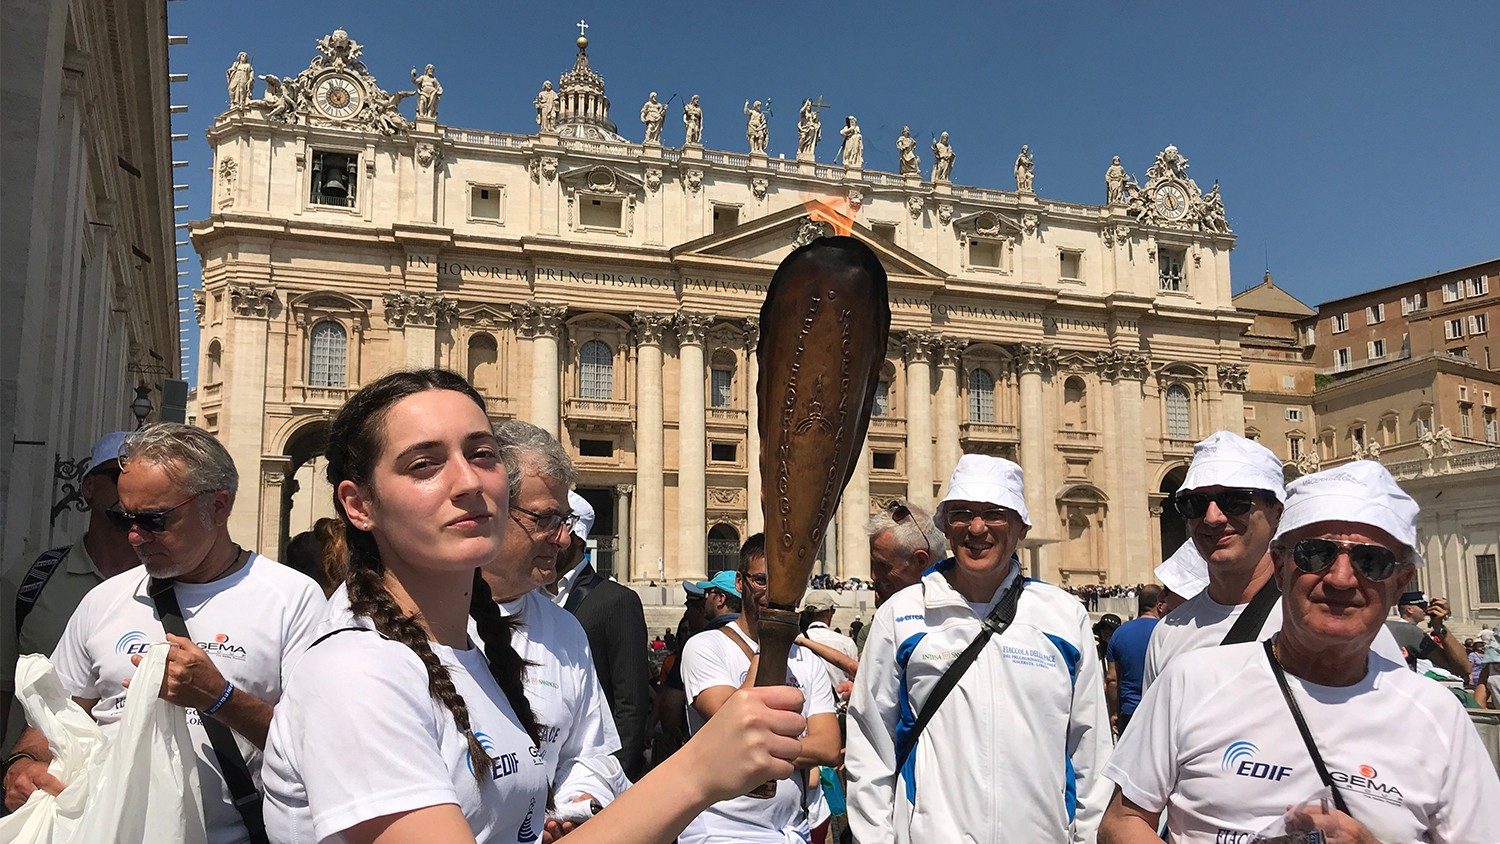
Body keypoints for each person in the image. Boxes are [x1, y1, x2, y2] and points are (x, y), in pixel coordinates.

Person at [261, 369, 807, 843]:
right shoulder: (353, 671)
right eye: (424, 465)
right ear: (358, 505)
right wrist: (695, 772)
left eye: (482, 454)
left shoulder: (477, 650)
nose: (469, 481)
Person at [1100, 461, 1500, 842]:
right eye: (1316, 554)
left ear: (1399, 583)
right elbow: (1123, 820)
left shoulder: (1440, 718)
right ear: (1279, 564)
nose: (1341, 579)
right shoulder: (1190, 681)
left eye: (1371, 562)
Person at [4, 424, 325, 844]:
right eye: (124, 517)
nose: (134, 536)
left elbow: (318, 751)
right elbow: (54, 717)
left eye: (154, 519)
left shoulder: (292, 599)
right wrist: (26, 761)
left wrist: (219, 698)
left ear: (220, 506)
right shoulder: (105, 600)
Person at [846, 454, 1112, 843]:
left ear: (1020, 525)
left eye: (993, 513)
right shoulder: (900, 617)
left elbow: (1091, 750)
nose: (976, 527)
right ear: (946, 526)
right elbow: (870, 745)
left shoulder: (1063, 617)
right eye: (962, 513)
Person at [1143, 431, 1400, 689]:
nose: (1212, 517)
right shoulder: (1167, 635)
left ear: (1277, 512)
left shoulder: (1340, 620)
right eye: (1194, 503)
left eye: (1235, 501)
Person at [480, 421, 630, 835]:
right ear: (485, 509)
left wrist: (572, 804)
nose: (564, 539)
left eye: (565, 519)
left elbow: (590, 751)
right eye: (547, 518)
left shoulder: (566, 630)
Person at [678, 534, 842, 844]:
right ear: (740, 582)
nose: (775, 593)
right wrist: (770, 644)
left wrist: (764, 749)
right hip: (722, 828)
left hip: (792, 830)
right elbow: (737, 727)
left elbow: (829, 748)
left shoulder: (807, 658)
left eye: (787, 583)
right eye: (762, 580)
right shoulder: (705, 647)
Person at [2, 431, 138, 752]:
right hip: (36, 785)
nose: (133, 488)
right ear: (88, 487)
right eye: (120, 474)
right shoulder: (31, 579)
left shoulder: (172, 589)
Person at [551, 490, 652, 779]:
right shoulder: (531, 596)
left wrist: (612, 778)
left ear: (576, 537)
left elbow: (630, 702)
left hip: (593, 770)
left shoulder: (616, 601)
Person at [1104, 584, 1166, 735]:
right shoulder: (1166, 631)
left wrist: (1113, 713)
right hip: (1159, 712)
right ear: (1159, 605)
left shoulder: (1119, 633)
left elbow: (1112, 679)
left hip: (1129, 712)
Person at [1385, 590, 1470, 676]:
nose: (1426, 610)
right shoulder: (1410, 631)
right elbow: (1462, 668)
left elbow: (1463, 667)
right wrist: (1439, 626)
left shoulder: (1402, 629)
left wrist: (1438, 625)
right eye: (1422, 606)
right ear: (1410, 610)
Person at [795, 591, 859, 695]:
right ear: (830, 612)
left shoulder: (797, 642)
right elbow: (854, 677)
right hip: (839, 705)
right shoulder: (846, 642)